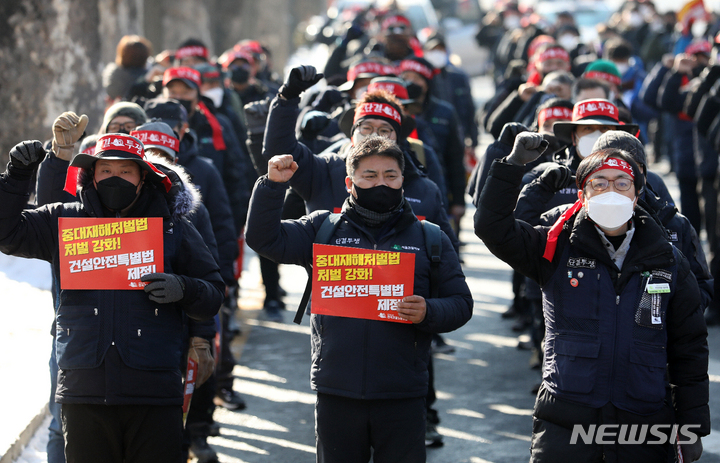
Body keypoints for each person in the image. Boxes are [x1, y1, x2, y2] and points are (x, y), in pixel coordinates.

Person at [474, 134, 709, 462]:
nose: (610, 191)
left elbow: (690, 347)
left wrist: (692, 426)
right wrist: (512, 167)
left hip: (643, 420)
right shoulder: (554, 247)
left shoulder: (668, 260)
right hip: (565, 420)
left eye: (621, 183)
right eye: (598, 183)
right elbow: (492, 227)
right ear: (582, 195)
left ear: (637, 193)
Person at [246, 135, 473, 462]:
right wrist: (271, 185)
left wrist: (428, 311)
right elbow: (263, 239)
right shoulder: (324, 228)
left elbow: (461, 303)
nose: (382, 183)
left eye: (390, 175)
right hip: (337, 391)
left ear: (403, 181)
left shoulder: (430, 237)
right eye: (370, 176)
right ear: (350, 183)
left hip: (402, 394)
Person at [0, 133, 224, 463]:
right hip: (83, 391)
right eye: (106, 171)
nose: (114, 178)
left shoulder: (171, 229)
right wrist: (17, 176)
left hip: (154, 393)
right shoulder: (64, 221)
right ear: (91, 175)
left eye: (125, 171)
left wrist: (184, 288)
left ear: (142, 177)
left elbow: (213, 294)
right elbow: (8, 234)